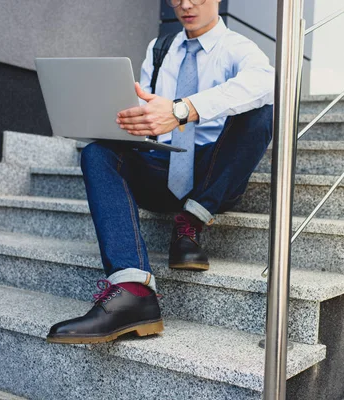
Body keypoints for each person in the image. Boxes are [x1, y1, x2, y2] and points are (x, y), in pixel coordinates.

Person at [46, 0, 274, 345]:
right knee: (97, 153)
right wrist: (127, 119)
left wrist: (183, 110)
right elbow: (143, 106)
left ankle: (192, 220)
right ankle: (133, 289)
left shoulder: (237, 48)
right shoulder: (160, 47)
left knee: (261, 113)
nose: (185, 4)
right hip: (162, 166)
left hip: (216, 176)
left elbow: (263, 83)